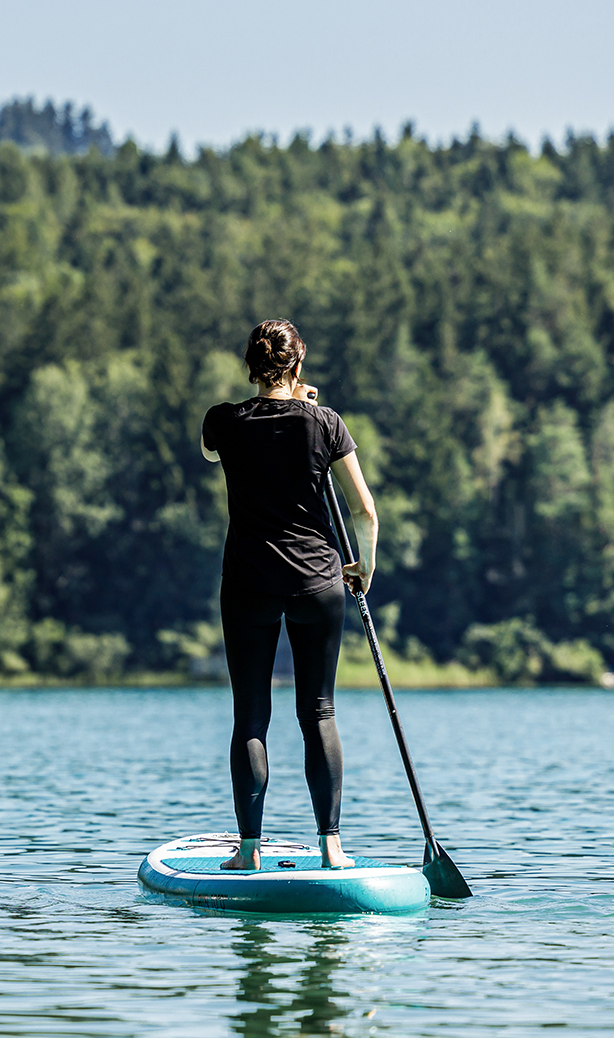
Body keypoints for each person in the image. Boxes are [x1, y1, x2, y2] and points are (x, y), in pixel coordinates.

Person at [200, 320, 378, 870]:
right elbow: (365, 512)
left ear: (251, 367)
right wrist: (363, 569)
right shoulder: (326, 424)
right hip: (318, 580)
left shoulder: (223, 422)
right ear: (298, 366)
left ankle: (248, 851)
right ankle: (332, 848)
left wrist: (285, 401)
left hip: (249, 583)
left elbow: (211, 455)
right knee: (319, 713)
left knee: (251, 717)